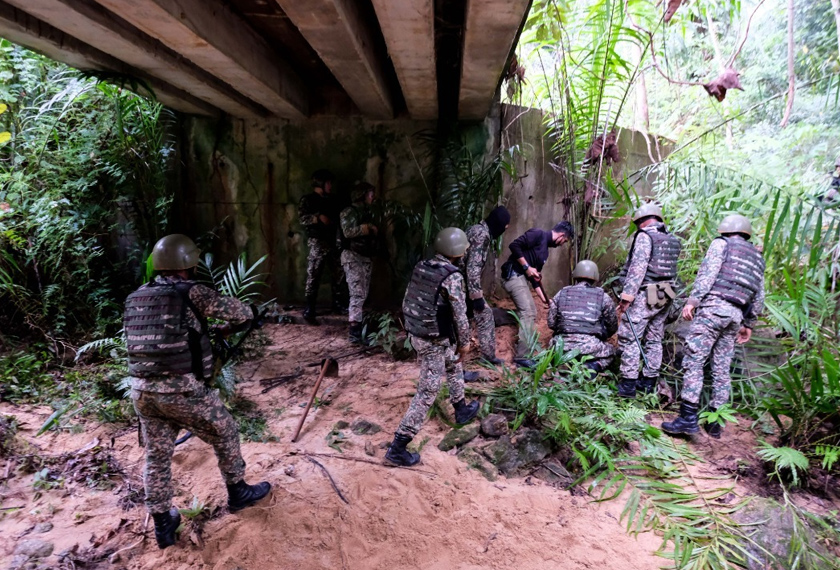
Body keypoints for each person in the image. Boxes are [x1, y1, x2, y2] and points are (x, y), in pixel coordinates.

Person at [124, 234, 271, 550]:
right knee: (225, 431)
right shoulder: (192, 292)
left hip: (142, 394)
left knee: (157, 455)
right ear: (188, 263)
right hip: (182, 393)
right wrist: (249, 314)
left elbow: (163, 335)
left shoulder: (135, 297)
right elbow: (241, 313)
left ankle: (163, 524)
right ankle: (238, 492)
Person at [384, 228, 481, 467]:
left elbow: (409, 298)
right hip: (432, 340)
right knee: (428, 391)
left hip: (419, 333)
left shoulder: (423, 266)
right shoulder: (452, 277)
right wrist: (465, 343)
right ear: (457, 252)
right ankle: (398, 448)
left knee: (453, 361)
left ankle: (460, 408)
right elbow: (460, 315)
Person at [662, 214, 765, 438]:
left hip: (713, 310)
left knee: (694, 360)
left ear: (725, 230)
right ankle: (715, 423)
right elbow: (759, 296)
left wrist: (692, 301)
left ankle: (687, 418)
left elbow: (707, 275)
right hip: (735, 316)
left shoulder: (722, 244)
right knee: (721, 369)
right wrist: (749, 323)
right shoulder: (757, 258)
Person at [615, 203, 681, 398]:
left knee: (630, 337)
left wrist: (627, 297)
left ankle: (628, 386)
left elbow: (638, 267)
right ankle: (648, 383)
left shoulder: (646, 236)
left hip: (646, 292)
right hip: (666, 292)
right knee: (654, 338)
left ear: (641, 221)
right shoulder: (672, 239)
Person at [500, 221, 575, 369]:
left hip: (521, 278)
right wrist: (527, 267)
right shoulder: (538, 234)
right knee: (528, 312)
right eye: (565, 241)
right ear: (561, 235)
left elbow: (535, 280)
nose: (562, 244)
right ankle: (522, 357)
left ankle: (494, 316)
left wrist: (546, 300)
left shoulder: (545, 252)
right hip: (512, 275)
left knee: (531, 311)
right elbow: (514, 246)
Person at [547, 260, 617, 373]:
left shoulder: (561, 293)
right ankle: (593, 366)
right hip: (590, 347)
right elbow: (612, 326)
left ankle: (562, 364)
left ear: (575, 275)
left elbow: (551, 323)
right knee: (612, 352)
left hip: (561, 346)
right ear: (595, 276)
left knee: (551, 347)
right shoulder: (603, 297)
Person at [464, 206, 511, 365]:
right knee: (485, 316)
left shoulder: (475, 229)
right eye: (504, 226)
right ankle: (488, 357)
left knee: (463, 319)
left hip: (459, 285)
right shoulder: (482, 235)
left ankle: (458, 358)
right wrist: (476, 296)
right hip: (462, 286)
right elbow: (473, 267)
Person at [299, 169, 341, 324]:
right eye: (328, 183)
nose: (330, 186)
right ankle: (310, 307)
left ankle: (337, 304)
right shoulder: (308, 200)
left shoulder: (333, 199)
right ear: (320, 184)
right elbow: (302, 218)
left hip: (333, 240)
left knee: (338, 273)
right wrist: (317, 218)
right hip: (317, 241)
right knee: (314, 274)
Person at [340, 181, 379, 344]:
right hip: (353, 257)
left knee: (362, 294)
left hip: (364, 257)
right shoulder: (349, 212)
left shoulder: (367, 211)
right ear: (362, 195)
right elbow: (347, 232)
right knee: (357, 294)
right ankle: (354, 332)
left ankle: (359, 328)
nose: (373, 197)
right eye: (370, 194)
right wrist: (366, 228)